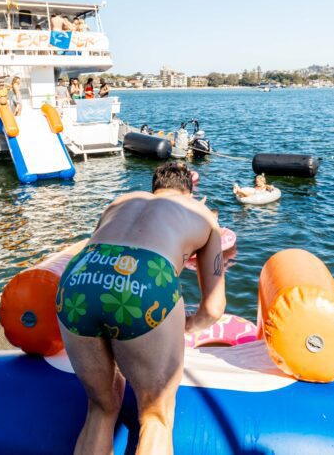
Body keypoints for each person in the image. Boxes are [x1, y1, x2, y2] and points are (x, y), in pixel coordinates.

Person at [56, 162, 225, 455]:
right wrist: (186, 324)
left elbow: (109, 252)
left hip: (80, 277)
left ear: (154, 188)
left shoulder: (121, 202)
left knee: (100, 408)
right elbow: (213, 308)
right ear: (190, 191)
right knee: (156, 417)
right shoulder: (205, 216)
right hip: (145, 278)